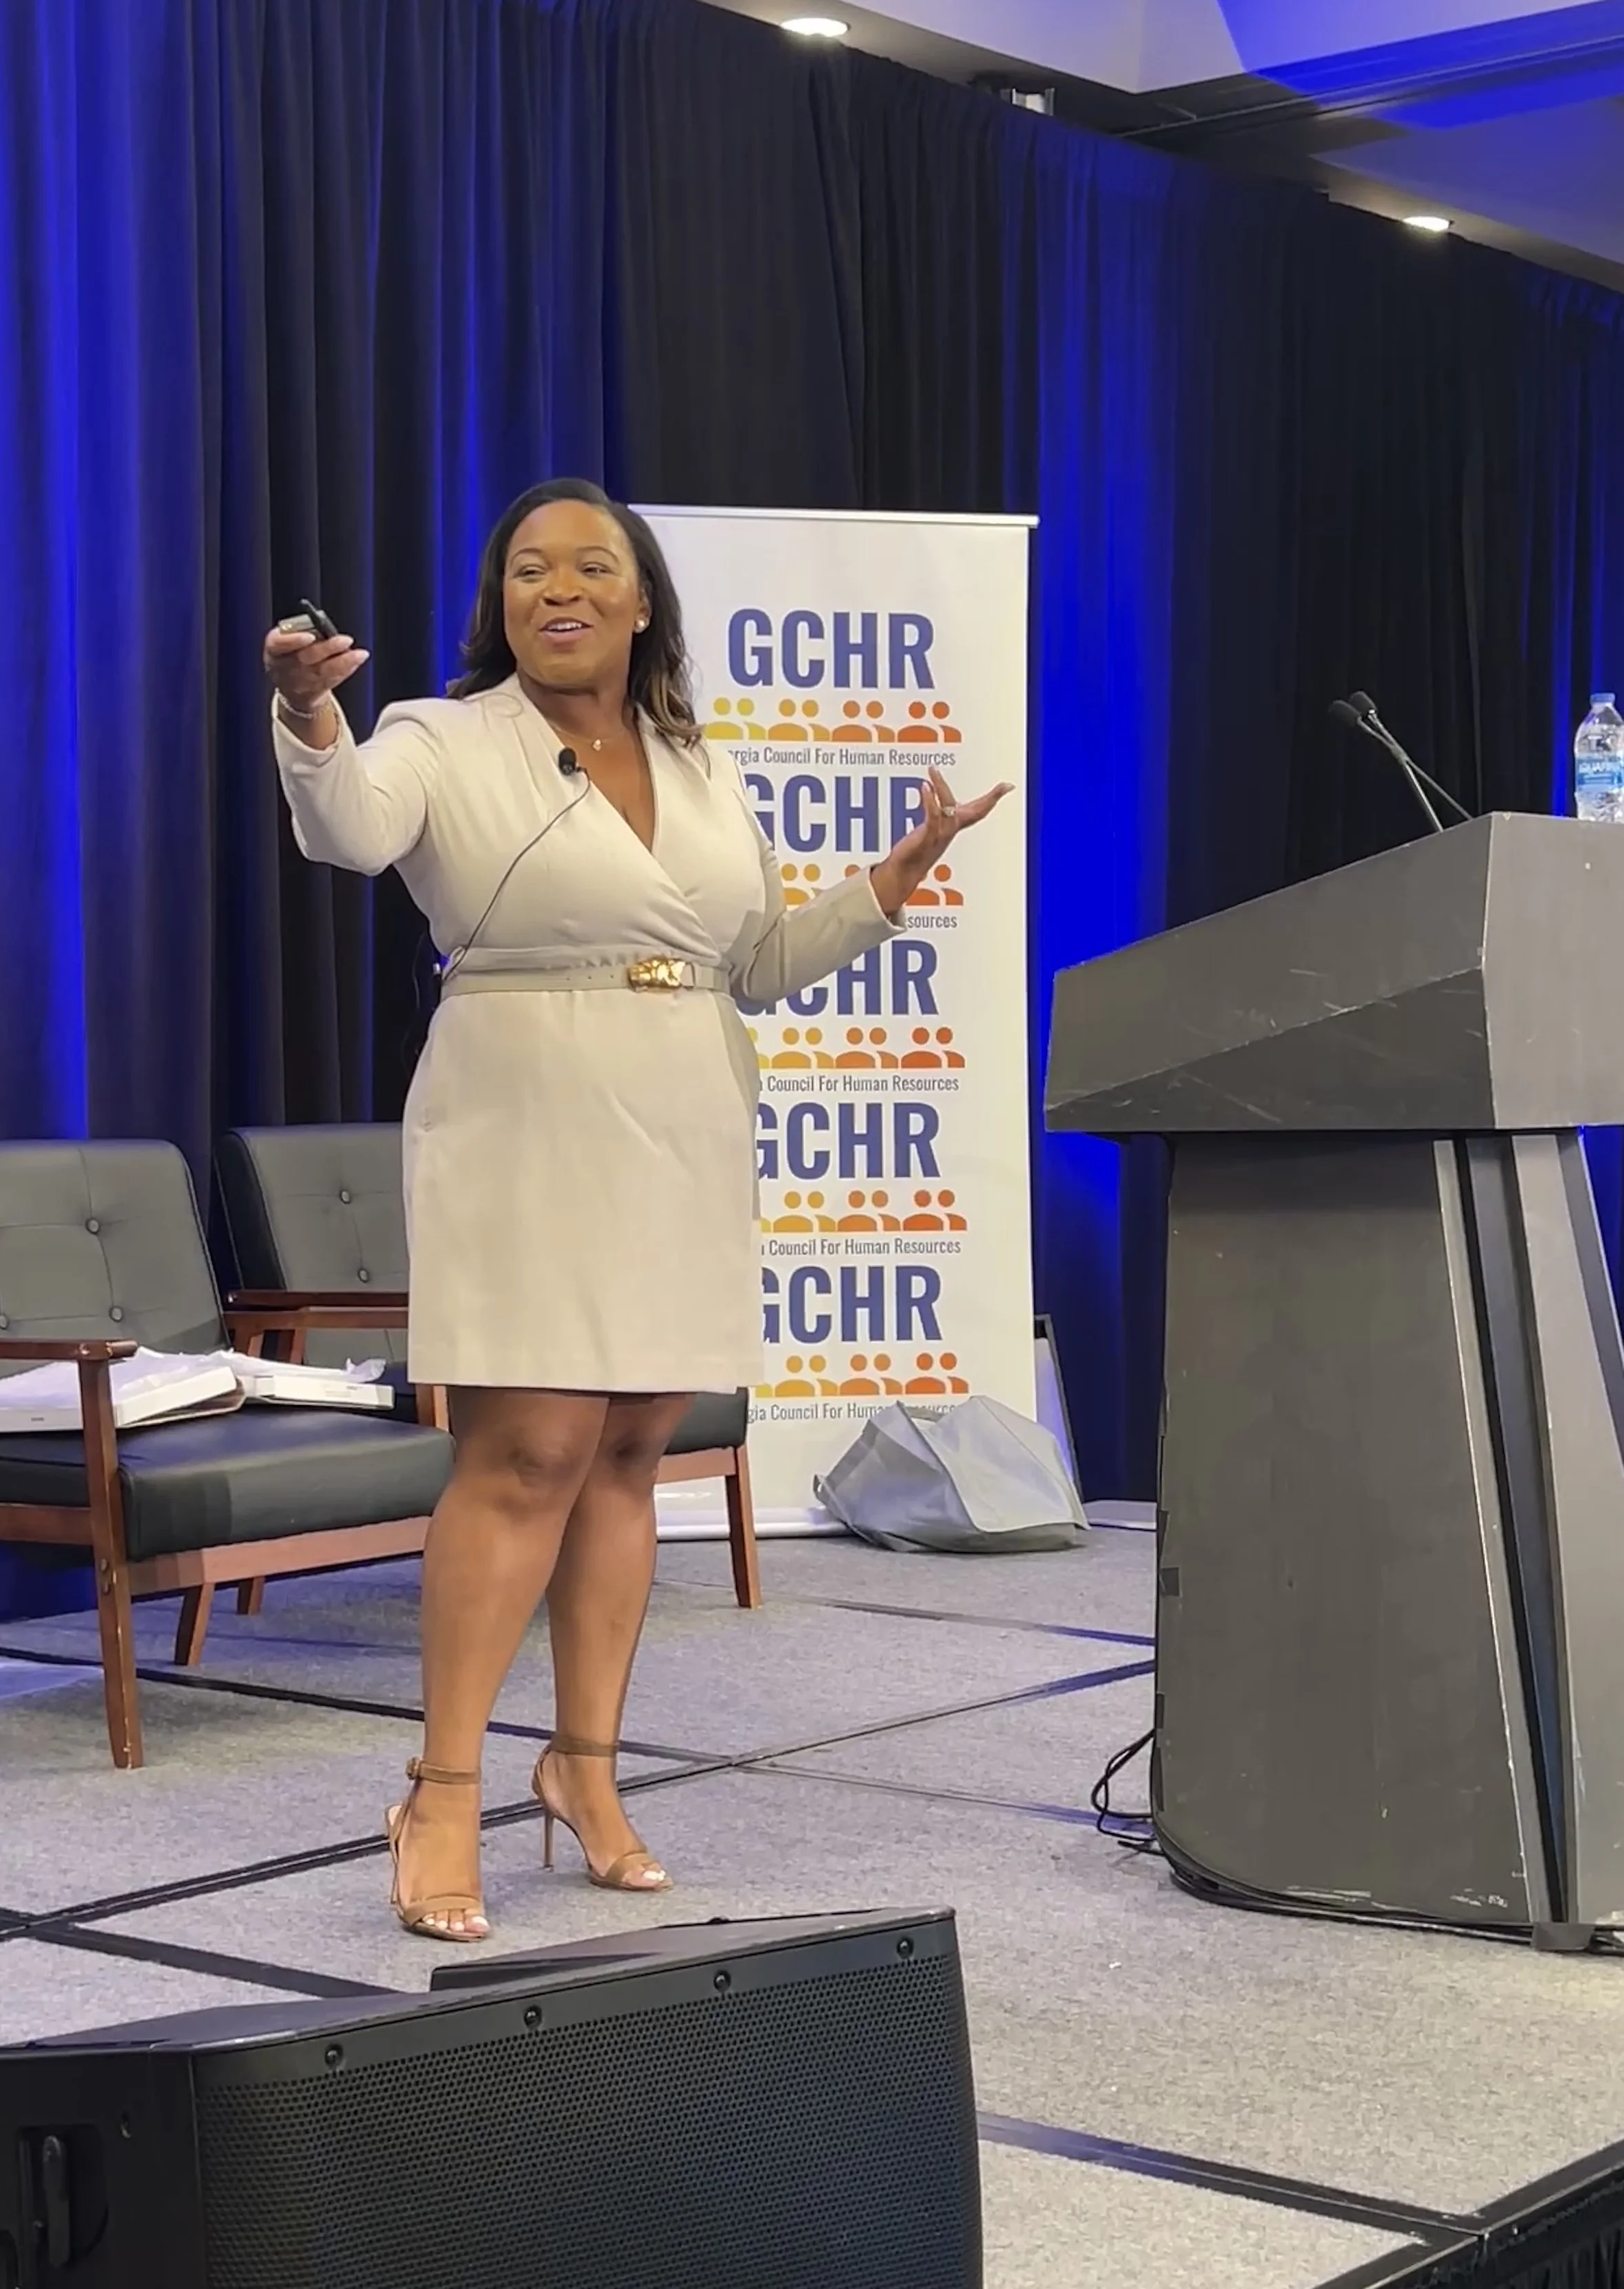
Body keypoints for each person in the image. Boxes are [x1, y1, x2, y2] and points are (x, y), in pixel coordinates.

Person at [262, 477, 1008, 1941]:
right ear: (499, 602)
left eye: (591, 567)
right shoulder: (435, 734)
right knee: (524, 1447)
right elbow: (349, 832)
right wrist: (307, 716)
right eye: (529, 568)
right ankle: (443, 1789)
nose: (560, 588)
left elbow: (760, 960)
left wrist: (894, 880)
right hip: (521, 1108)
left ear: (640, 598)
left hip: (683, 1110)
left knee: (624, 1450)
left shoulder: (696, 758)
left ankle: (585, 1772)